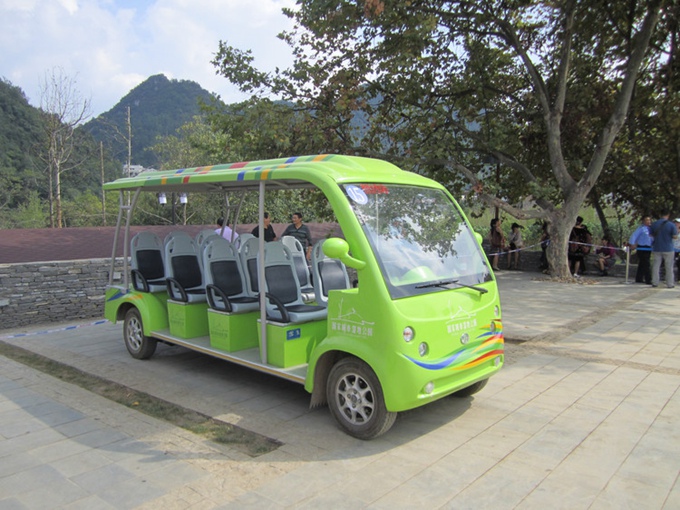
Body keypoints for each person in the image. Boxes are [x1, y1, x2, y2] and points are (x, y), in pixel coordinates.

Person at [650, 210, 678, 289]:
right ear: (668, 215)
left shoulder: (654, 224)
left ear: (660, 214)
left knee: (656, 266)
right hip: (668, 248)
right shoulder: (671, 225)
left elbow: (651, 234)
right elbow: (675, 236)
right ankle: (670, 283)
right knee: (669, 266)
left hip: (657, 247)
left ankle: (655, 282)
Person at [628, 215, 653, 284]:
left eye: (649, 220)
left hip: (648, 247)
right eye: (646, 220)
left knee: (642, 263)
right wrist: (632, 243)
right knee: (646, 263)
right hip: (642, 247)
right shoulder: (641, 228)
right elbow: (634, 235)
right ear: (643, 221)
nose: (648, 221)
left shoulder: (651, 229)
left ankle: (639, 278)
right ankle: (648, 279)